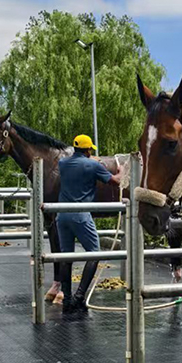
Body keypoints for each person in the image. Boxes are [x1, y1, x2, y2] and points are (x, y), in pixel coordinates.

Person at [57, 134, 119, 313]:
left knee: (65, 257)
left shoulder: (63, 163)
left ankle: (66, 299)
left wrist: (90, 160)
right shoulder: (93, 165)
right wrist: (122, 171)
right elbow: (115, 182)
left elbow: (76, 162)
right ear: (88, 150)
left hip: (61, 215)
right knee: (94, 253)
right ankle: (79, 297)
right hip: (81, 215)